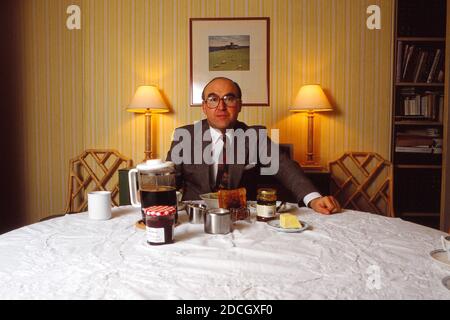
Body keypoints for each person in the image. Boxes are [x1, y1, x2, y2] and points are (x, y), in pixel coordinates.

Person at [166, 77, 341, 215]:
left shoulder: (255, 136)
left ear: (239, 105)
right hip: (195, 218)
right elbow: (168, 181)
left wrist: (314, 198)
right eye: (213, 99)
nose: (221, 106)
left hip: (243, 218)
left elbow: (286, 168)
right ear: (204, 107)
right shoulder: (185, 136)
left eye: (229, 98)